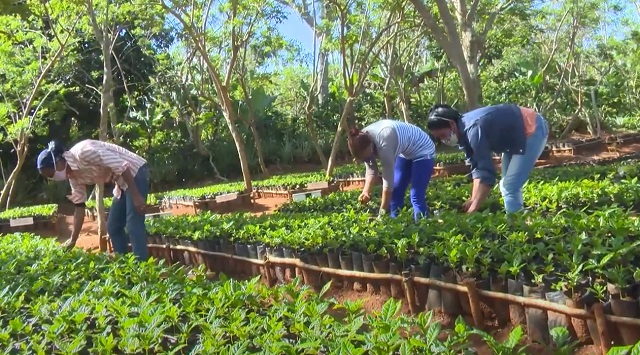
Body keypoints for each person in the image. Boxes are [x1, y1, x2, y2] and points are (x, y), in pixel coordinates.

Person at [36, 139, 150, 260]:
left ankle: (141, 267)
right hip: (121, 182)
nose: (52, 178)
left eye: (51, 174)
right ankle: (124, 263)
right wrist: (72, 240)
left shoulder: (84, 152)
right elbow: (79, 207)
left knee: (133, 224)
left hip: (135, 171)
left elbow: (122, 166)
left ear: (58, 162)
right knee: (113, 227)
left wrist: (136, 196)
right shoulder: (73, 177)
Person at [426, 103, 549, 214]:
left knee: (510, 186)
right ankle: (518, 220)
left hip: (532, 128)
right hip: (515, 138)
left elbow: (487, 174)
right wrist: (473, 199)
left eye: (443, 135)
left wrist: (473, 210)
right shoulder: (463, 133)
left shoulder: (473, 129)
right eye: (439, 138)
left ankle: (518, 229)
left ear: (452, 124)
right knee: (507, 186)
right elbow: (476, 167)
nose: (444, 140)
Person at [347, 119, 436, 220]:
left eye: (367, 157)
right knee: (396, 193)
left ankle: (423, 228)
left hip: (423, 149)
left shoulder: (384, 144)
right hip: (405, 151)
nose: (368, 159)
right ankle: (397, 225)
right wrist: (366, 191)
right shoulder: (360, 139)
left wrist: (381, 214)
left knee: (416, 196)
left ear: (371, 146)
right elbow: (371, 168)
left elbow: (388, 185)